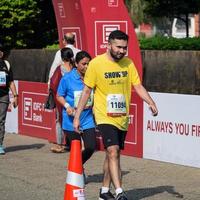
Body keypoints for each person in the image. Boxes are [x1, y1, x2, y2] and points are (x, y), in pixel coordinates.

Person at [73, 30, 158, 200]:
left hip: (122, 117)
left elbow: (138, 86)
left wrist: (150, 102)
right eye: (118, 47)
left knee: (112, 153)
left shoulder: (128, 63)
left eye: (124, 48)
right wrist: (77, 116)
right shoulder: (96, 64)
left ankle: (104, 191)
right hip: (104, 115)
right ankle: (119, 191)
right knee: (113, 150)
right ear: (109, 44)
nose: (121, 51)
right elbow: (86, 91)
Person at [56, 51, 96, 176]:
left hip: (87, 118)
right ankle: (77, 172)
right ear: (76, 64)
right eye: (84, 64)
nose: (86, 67)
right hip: (70, 120)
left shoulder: (92, 77)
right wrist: (67, 106)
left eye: (89, 64)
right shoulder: (67, 78)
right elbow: (59, 95)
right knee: (76, 148)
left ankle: (77, 166)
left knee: (90, 147)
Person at [49, 47, 74, 153]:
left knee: (59, 120)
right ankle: (72, 143)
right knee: (73, 119)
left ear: (62, 57)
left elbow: (53, 84)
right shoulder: (75, 68)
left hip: (62, 98)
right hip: (74, 97)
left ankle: (59, 144)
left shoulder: (60, 68)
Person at [0, 44, 18, 155]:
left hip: (3, 96)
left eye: (1, 50)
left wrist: (15, 95)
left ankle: (0, 144)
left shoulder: (6, 64)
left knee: (1, 120)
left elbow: (11, 81)